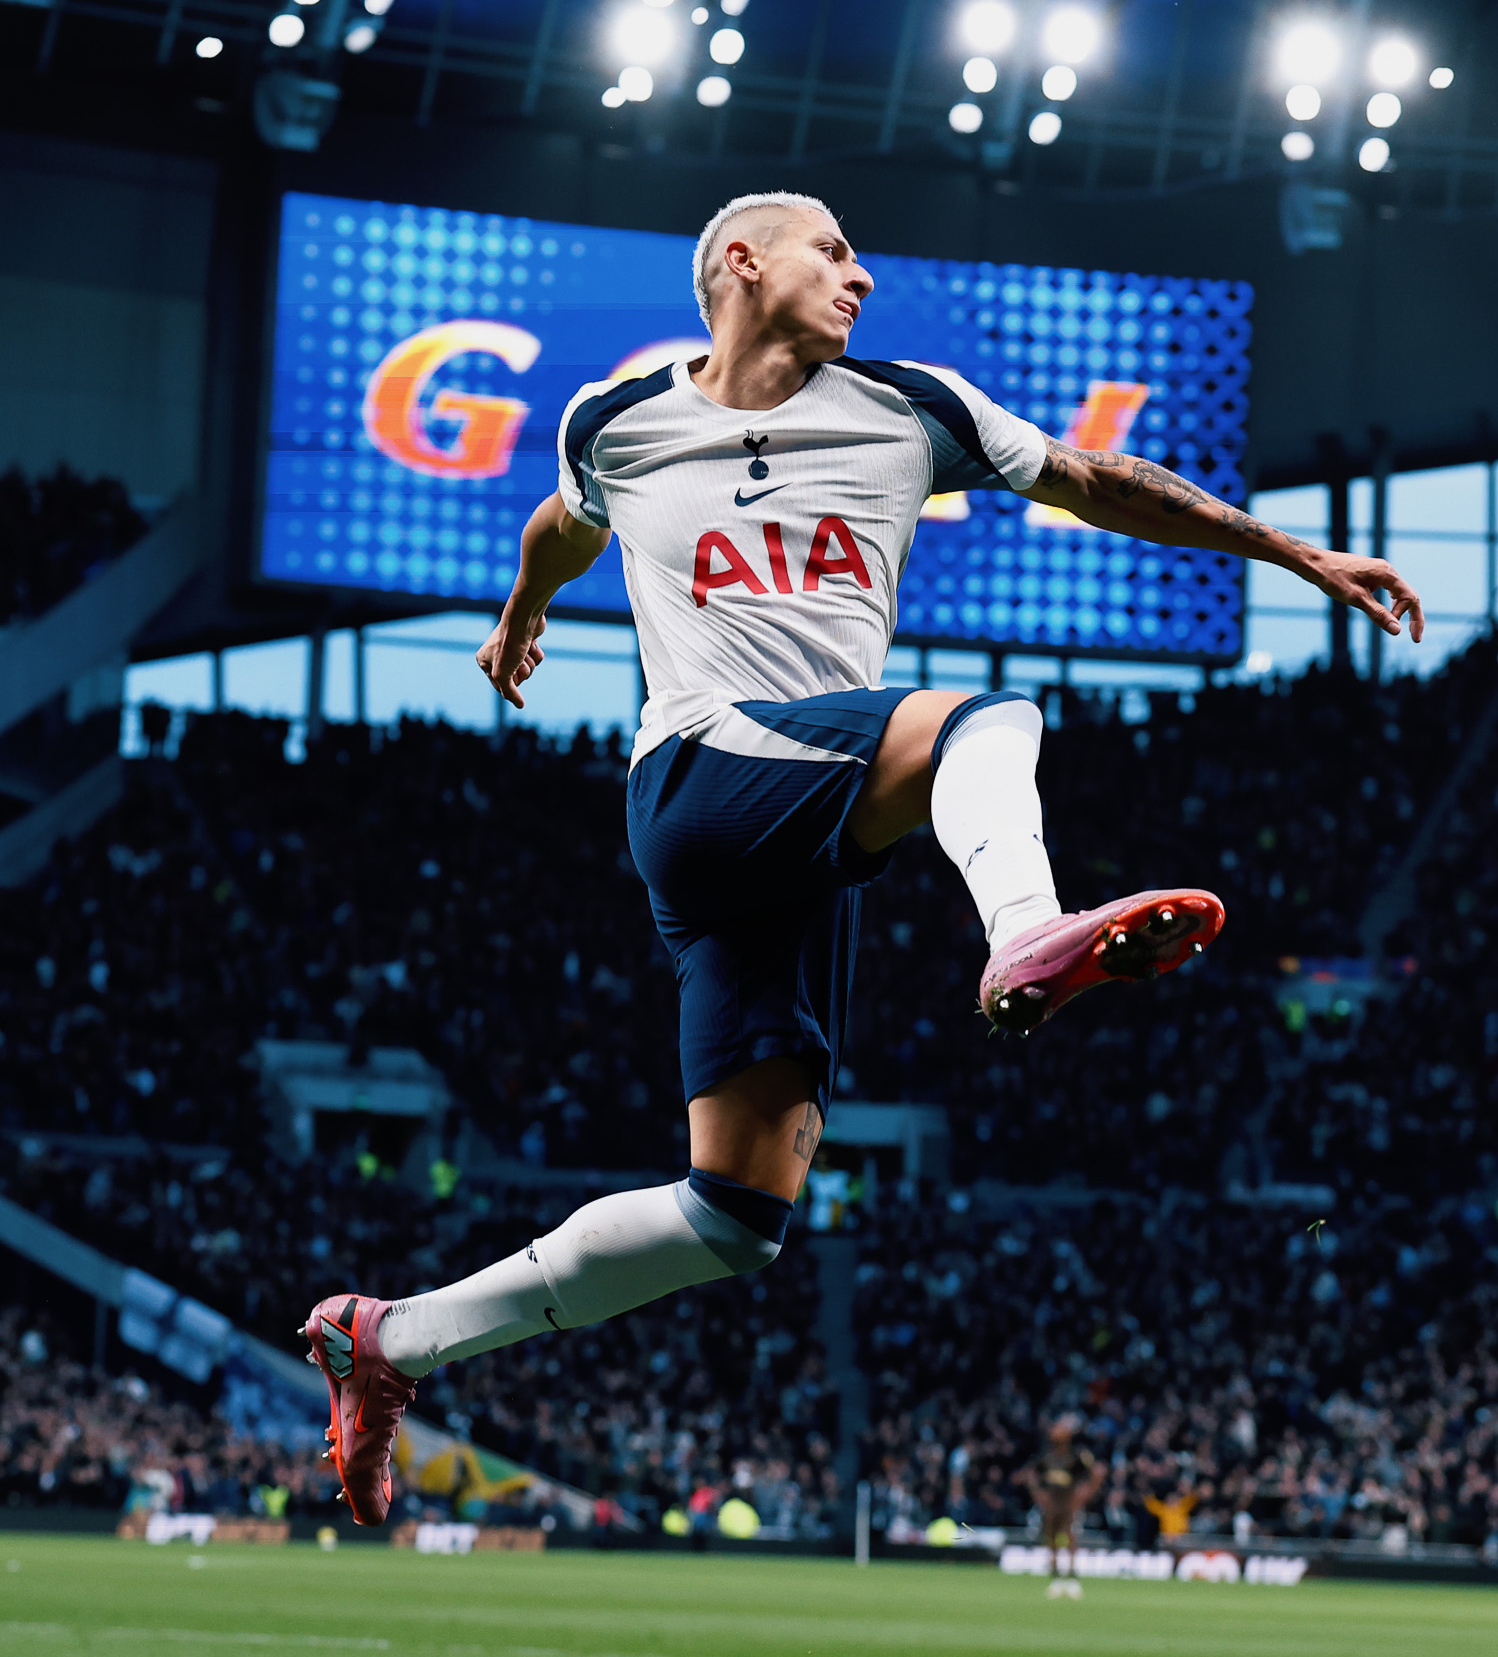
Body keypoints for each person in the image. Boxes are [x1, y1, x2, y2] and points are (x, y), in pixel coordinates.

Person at [303, 190, 1424, 1524]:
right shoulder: (614, 424)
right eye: (832, 251)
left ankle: (387, 1341)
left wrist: (1283, 547)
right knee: (984, 721)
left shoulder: (911, 405)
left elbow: (1095, 478)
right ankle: (1020, 926)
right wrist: (521, 611)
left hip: (802, 836)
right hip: (702, 775)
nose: (862, 276)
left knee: (732, 1216)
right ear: (741, 262)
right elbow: (565, 518)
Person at [1017, 1414, 1105, 1595]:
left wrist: (1087, 1493)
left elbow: (1096, 1471)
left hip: (1069, 1504)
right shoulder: (1046, 1456)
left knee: (1070, 1537)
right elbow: (1031, 1474)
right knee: (1051, 1539)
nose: (1054, 1432)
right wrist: (1038, 1494)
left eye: (1058, 1429)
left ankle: (1072, 1577)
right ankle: (1056, 1577)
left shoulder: (1076, 1455)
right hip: (1051, 1505)